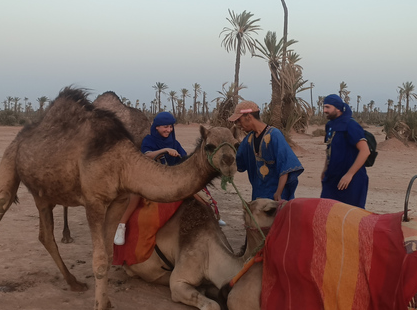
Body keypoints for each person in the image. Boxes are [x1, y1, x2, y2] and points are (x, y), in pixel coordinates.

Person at [114, 111, 223, 246]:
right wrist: (163, 150)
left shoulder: (174, 142)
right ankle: (122, 226)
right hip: (153, 176)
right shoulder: (149, 140)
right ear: (157, 127)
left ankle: (213, 215)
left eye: (170, 127)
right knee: (135, 194)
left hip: (173, 177)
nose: (168, 130)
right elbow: (146, 156)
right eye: (165, 127)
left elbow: (184, 158)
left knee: (198, 189)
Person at [228, 100, 303, 202]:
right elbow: (238, 163)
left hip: (276, 197)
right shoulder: (248, 140)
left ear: (248, 117)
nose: (238, 125)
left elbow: (286, 167)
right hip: (258, 198)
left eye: (238, 120)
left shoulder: (274, 135)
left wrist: (278, 193)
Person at [320, 94, 369, 208]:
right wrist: (325, 169)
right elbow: (330, 149)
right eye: (324, 107)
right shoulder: (330, 126)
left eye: (327, 107)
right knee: (326, 212)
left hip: (351, 182)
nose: (324, 110)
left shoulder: (351, 125)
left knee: (350, 218)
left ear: (337, 108)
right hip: (332, 178)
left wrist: (349, 175)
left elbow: (365, 151)